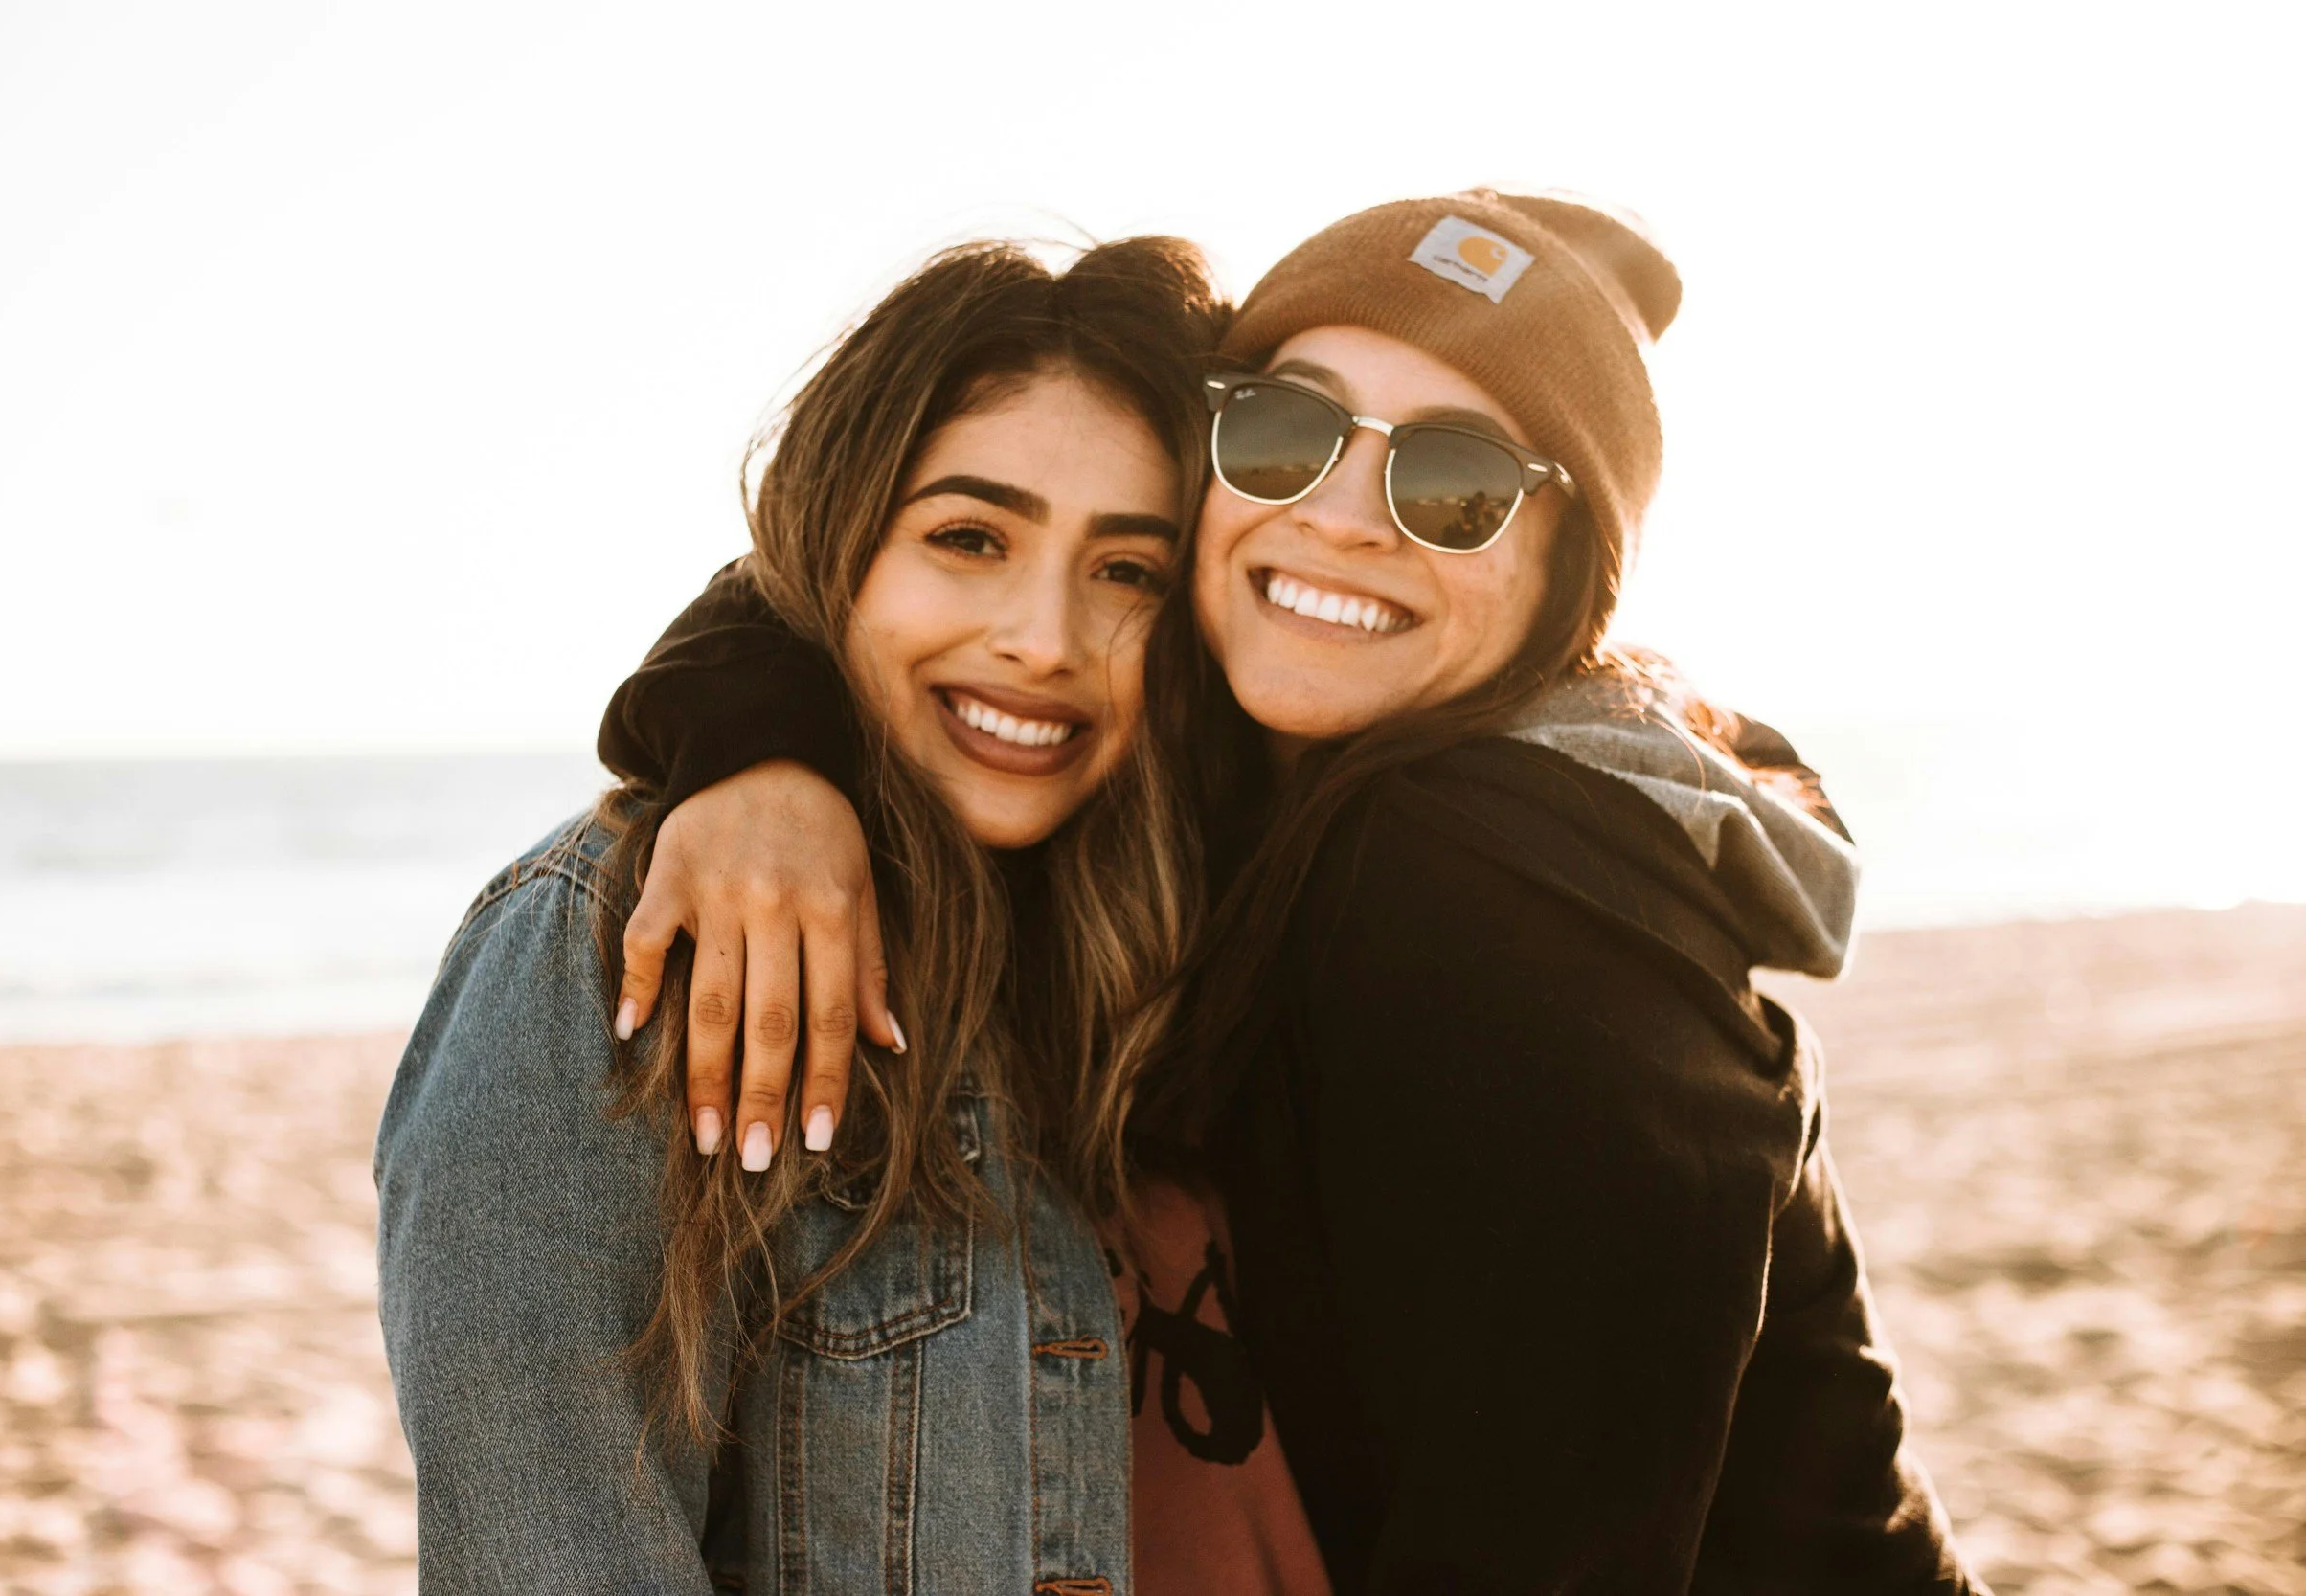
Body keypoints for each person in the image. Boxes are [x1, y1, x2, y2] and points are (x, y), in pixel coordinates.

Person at [594, 190, 1988, 1593]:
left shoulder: (1498, 892)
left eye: (1454, 483)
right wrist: (764, 753)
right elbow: (865, 542)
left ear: (1573, 571)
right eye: (1283, 432)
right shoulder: (1252, 759)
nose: (1339, 519)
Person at [374, 236, 1331, 1593]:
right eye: (968, 538)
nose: (1045, 638)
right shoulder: (611, 947)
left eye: (1129, 571)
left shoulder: (1169, 941)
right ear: (841, 541)